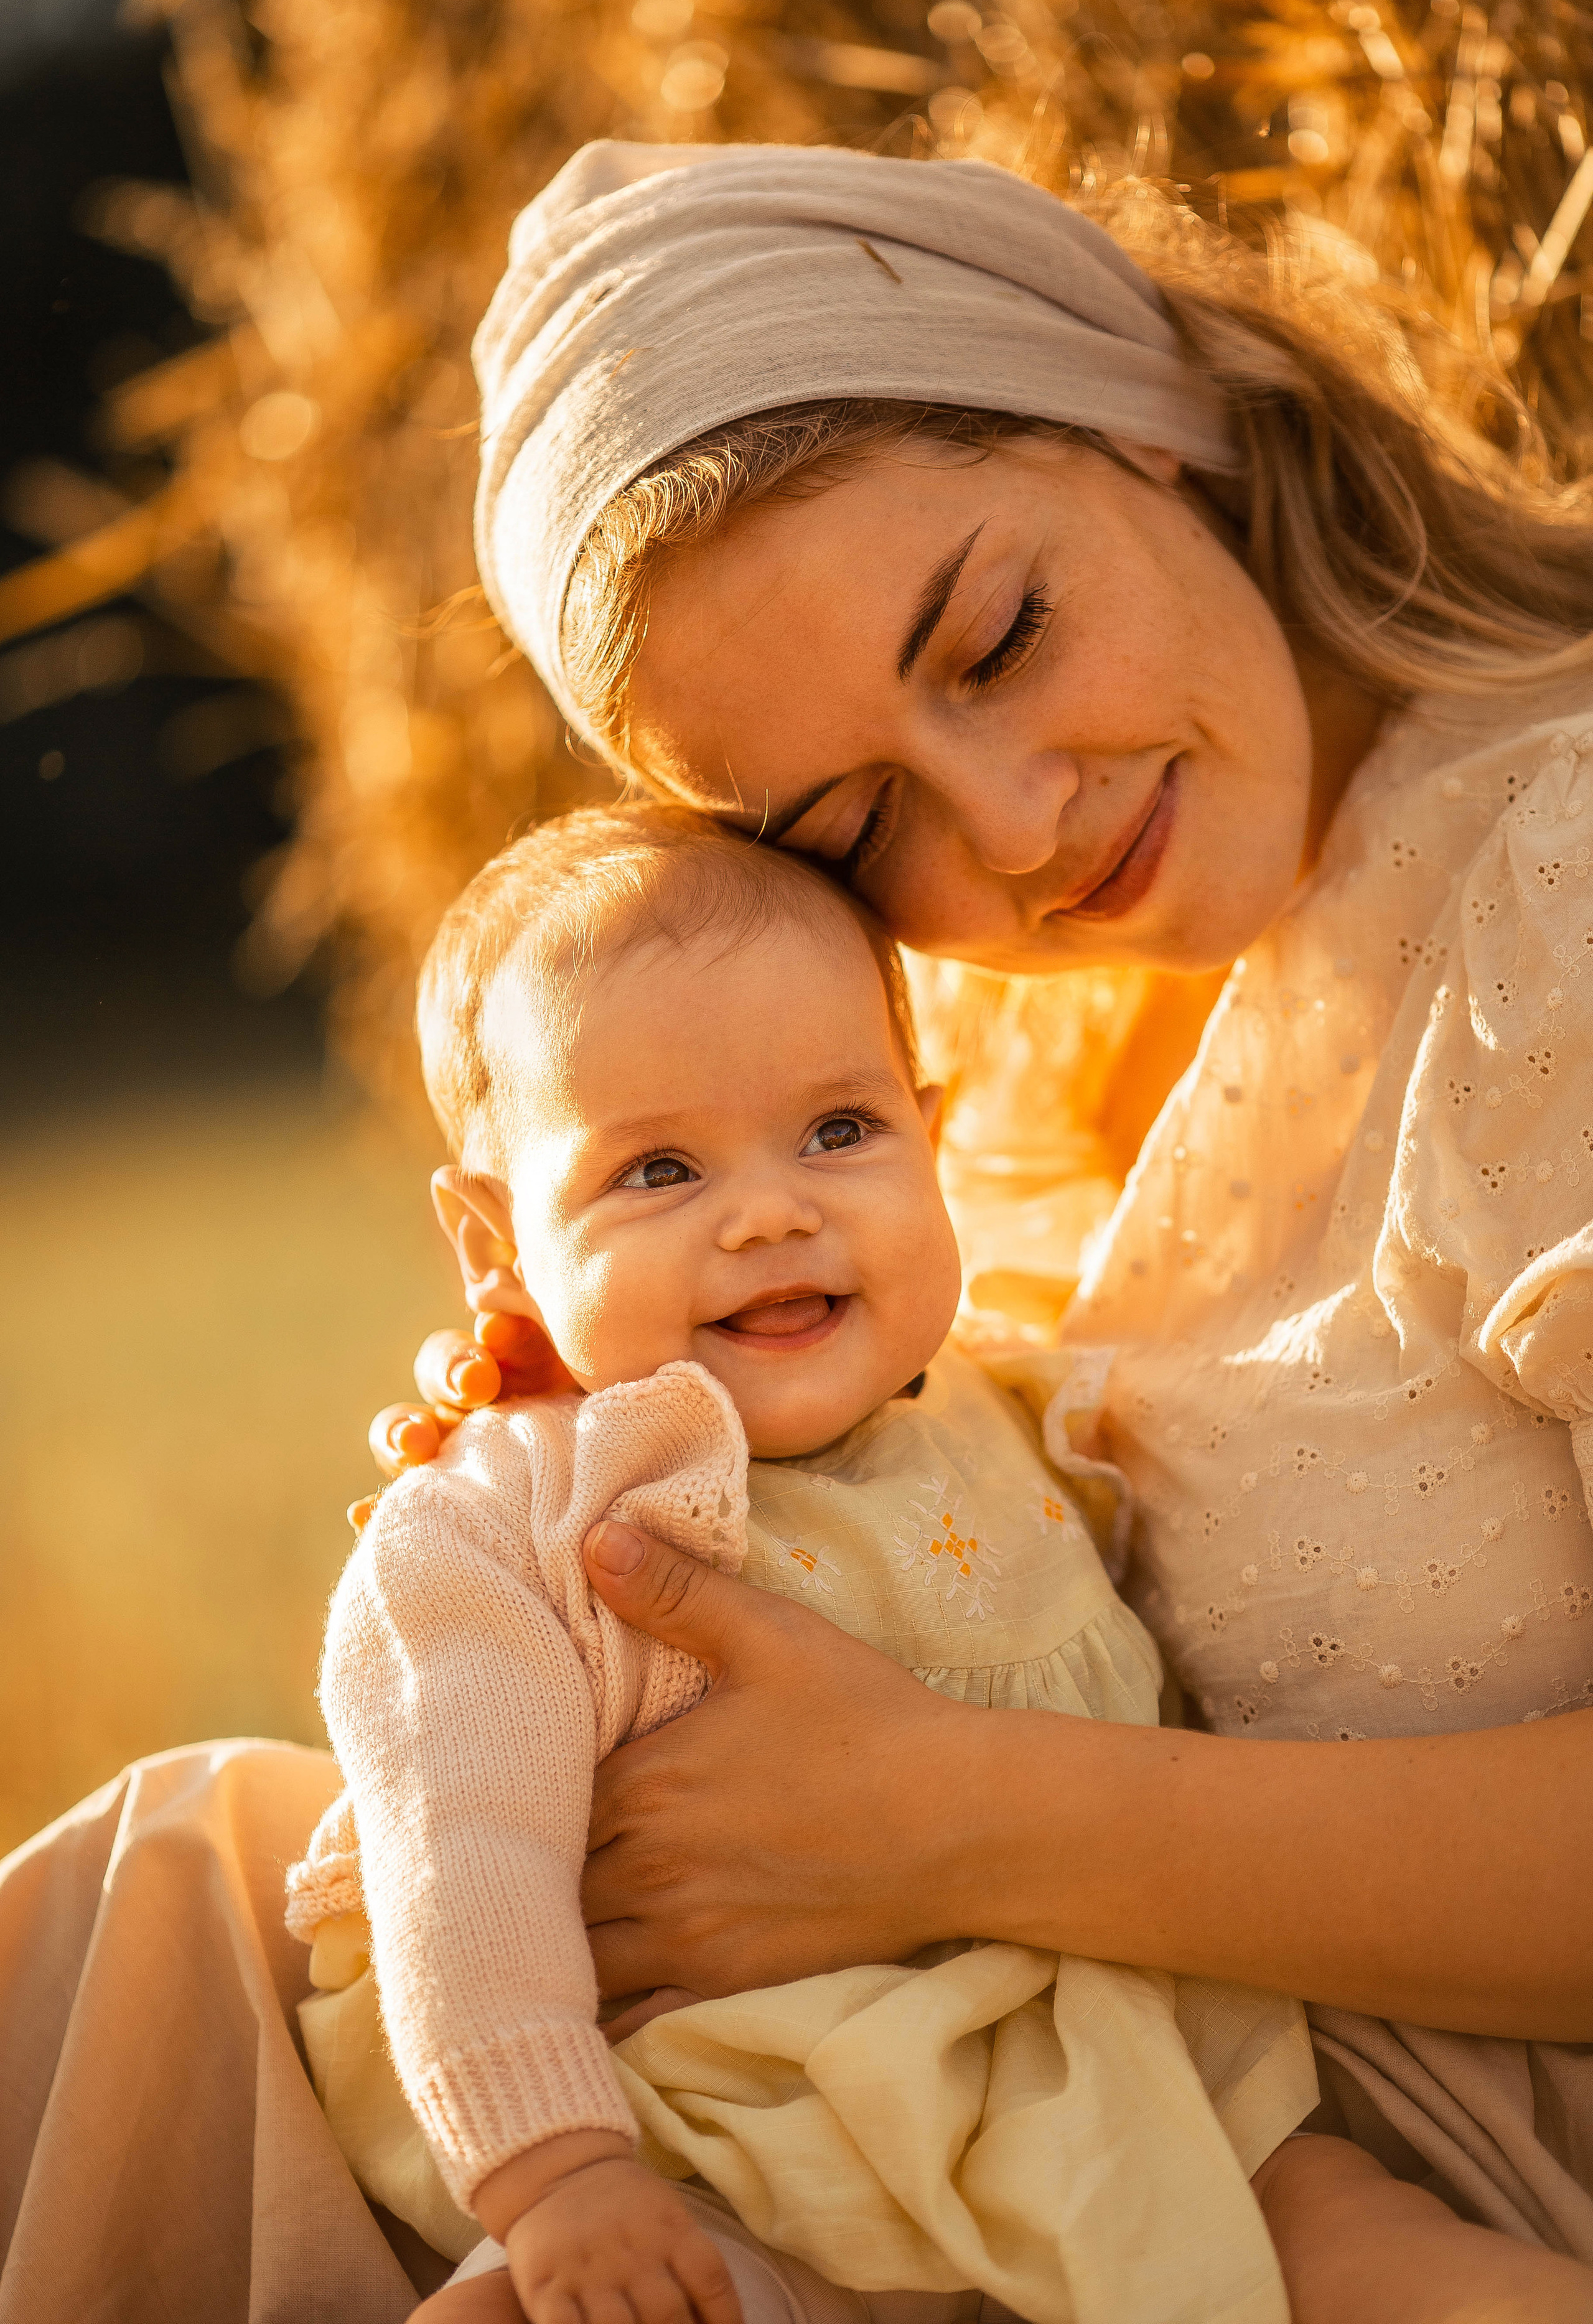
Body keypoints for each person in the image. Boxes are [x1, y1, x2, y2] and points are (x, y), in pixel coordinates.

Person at [4, 140, 1591, 2324]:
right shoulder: (978, 1058)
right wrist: (638, 1422)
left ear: (1142, 410)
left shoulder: (1556, 892)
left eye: (1001, 634)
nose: (1019, 824)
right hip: (893, 2092)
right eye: (853, 827)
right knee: (164, 1884)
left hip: (1318, 2189)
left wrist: (942, 1815)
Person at [293, 800, 1314, 2324]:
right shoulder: (511, 1527)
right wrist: (558, 2174)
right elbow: (461, 1860)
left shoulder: (997, 1411)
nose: (773, 1213)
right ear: (496, 1247)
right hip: (723, 2137)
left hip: (1107, 2059)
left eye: (839, 1131)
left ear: (931, 1123)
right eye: (655, 1172)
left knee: (1355, 2227)